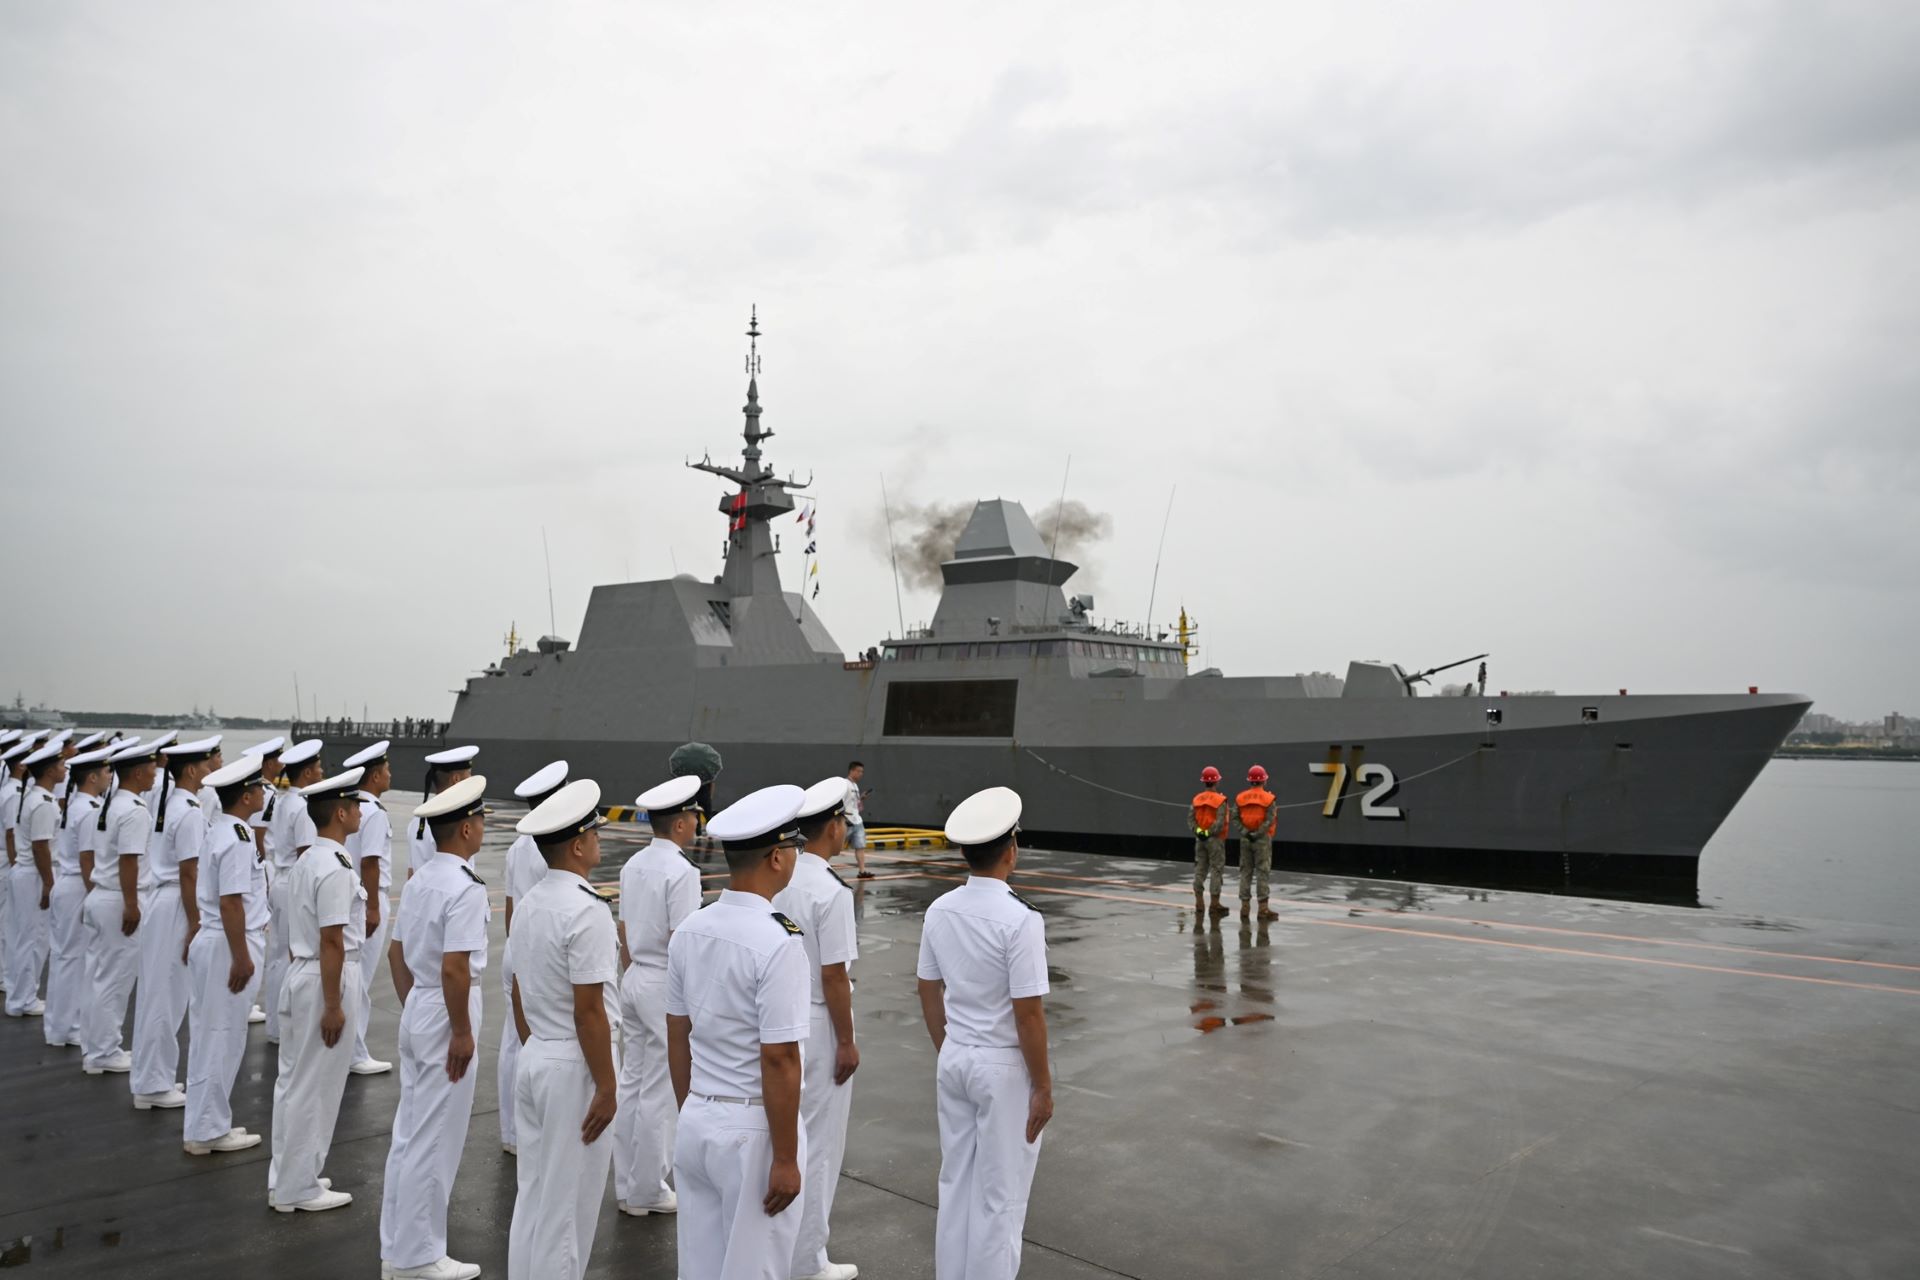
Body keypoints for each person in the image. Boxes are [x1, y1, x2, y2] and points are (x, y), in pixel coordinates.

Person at [667, 784, 810, 1280]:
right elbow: (780, 1057)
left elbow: (678, 1032)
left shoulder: (691, 928)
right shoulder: (779, 941)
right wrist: (786, 1157)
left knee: (700, 1267)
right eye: (793, 848)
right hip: (752, 1130)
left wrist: (691, 1110)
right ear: (777, 857)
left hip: (698, 1117)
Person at [916, 786, 1054, 1280]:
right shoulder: (1021, 919)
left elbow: (927, 987)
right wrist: (1042, 1086)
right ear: (1011, 849)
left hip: (956, 1056)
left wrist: (948, 1047)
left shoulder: (940, 909)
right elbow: (1028, 1014)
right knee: (1001, 1196)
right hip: (1002, 1066)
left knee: (956, 1183)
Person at [506, 779, 621, 1280]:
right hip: (575, 1066)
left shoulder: (530, 902)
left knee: (535, 1197)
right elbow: (589, 1011)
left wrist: (536, 1047)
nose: (599, 840)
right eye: (594, 833)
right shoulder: (586, 909)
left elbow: (517, 986)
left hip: (537, 1055)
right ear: (577, 846)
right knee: (568, 1210)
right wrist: (608, 1085)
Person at [379, 775, 491, 1280]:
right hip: (447, 1011)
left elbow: (396, 953)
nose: (483, 827)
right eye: (480, 820)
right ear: (466, 829)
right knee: (436, 1137)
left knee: (409, 1134)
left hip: (422, 1006)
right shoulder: (465, 886)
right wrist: (461, 1031)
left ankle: (397, 1247)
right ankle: (420, 1256)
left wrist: (416, 1009)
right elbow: (455, 968)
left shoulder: (421, 879)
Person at [774, 777, 863, 1280]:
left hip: (777, 1019)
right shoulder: (831, 891)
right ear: (833, 826)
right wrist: (846, 1040)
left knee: (781, 1141)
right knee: (819, 1146)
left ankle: (778, 1250)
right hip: (817, 1020)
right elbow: (834, 975)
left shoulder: (780, 877)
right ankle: (808, 1260)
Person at [267, 766, 366, 1213]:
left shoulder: (307, 860)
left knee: (292, 1082)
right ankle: (299, 1187)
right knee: (317, 1086)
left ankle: (287, 1177)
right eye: (355, 804)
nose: (360, 811)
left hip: (302, 973)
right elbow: (332, 941)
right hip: (325, 978)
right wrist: (333, 1004)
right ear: (340, 813)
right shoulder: (336, 867)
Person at [612, 773, 703, 1217]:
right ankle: (647, 1188)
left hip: (634, 976)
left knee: (632, 1082)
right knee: (661, 1091)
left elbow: (624, 927)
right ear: (681, 823)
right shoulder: (682, 871)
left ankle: (627, 1185)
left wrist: (634, 971)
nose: (697, 822)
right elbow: (682, 940)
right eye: (694, 815)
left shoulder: (634, 864)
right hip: (665, 982)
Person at [182, 753, 270, 1154]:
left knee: (209, 1036)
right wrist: (242, 956)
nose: (264, 794)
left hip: (216, 940)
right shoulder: (237, 837)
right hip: (228, 944)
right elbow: (231, 901)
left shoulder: (221, 829)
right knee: (223, 1037)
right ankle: (208, 1131)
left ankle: (205, 1124)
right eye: (260, 789)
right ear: (246, 796)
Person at [129, 735, 221, 1109]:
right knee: (166, 996)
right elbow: (189, 872)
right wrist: (196, 923)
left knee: (157, 993)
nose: (211, 768)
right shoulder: (190, 811)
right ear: (192, 770)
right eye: (206, 763)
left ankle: (152, 1076)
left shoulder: (173, 803)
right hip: (176, 905)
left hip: (163, 901)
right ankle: (153, 1085)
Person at [499, 759, 570, 1157]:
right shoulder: (552, 849)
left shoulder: (517, 847)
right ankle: (531, 1127)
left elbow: (511, 909)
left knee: (513, 1041)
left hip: (517, 946)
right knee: (542, 1039)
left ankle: (511, 1131)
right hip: (542, 951)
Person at [81, 738, 163, 1075]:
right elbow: (129, 861)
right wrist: (132, 905)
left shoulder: (111, 803)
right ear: (138, 773)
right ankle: (104, 1051)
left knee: (99, 976)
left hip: (103, 895)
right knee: (115, 980)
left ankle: (95, 1046)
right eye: (152, 768)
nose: (156, 773)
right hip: (120, 898)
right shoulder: (134, 811)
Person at [45, 746, 113, 1046]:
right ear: (93, 777)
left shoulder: (79, 804)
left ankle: (59, 1025)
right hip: (78, 886)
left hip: (69, 883)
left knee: (65, 957)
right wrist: (94, 896)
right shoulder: (88, 810)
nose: (110, 776)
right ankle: (67, 1026)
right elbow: (88, 858)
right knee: (72, 960)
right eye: (107, 772)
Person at [263, 738, 325, 1044]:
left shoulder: (283, 799)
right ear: (308, 773)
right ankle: (285, 1027)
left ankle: (275, 1025)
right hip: (293, 883)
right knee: (293, 957)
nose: (322, 772)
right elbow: (306, 855)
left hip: (280, 879)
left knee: (277, 957)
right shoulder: (302, 806)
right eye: (318, 767)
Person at [343, 739, 396, 1075]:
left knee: (354, 975)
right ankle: (355, 1052)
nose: (390, 774)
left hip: (353, 895)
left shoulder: (353, 806)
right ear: (375, 776)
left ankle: (350, 1048)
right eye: (386, 769)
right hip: (368, 898)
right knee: (360, 978)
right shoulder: (374, 812)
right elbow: (371, 862)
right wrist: (374, 908)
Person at [5, 743, 67, 1016]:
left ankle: (20, 995)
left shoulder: (35, 797)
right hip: (35, 875)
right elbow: (40, 847)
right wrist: (49, 884)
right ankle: (23, 999)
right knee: (34, 939)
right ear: (50, 771)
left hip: (28, 872)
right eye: (61, 765)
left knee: (25, 937)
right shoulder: (43, 803)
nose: (65, 769)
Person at [410, 745, 479, 879]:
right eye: (469, 773)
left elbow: (411, 872)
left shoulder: (417, 820)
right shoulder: (456, 820)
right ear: (456, 779)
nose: (471, 778)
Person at [1234, 765, 1279, 922]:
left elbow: (1235, 817)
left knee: (1245, 872)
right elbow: (1270, 819)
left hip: (1245, 839)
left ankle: (1245, 907)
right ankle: (1263, 909)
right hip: (1262, 840)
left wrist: (1245, 832)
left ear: (1250, 780)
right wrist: (1258, 833)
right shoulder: (1269, 799)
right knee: (1262, 872)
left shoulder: (1240, 798)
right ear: (1264, 780)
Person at [1190, 766, 1229, 919]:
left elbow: (1191, 819)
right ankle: (1214, 904)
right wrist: (1209, 832)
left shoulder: (1196, 799)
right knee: (1216, 870)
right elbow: (1220, 822)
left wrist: (1199, 831)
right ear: (1217, 781)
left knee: (1200, 869)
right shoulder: (1220, 800)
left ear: (1204, 782)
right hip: (1215, 840)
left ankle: (1199, 903)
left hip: (1200, 840)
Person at [842, 763, 872, 880]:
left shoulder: (855, 785)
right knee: (836, 847)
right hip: (846, 820)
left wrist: (861, 798)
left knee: (860, 846)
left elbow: (855, 803)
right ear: (852, 771)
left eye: (862, 772)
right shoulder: (845, 784)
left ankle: (862, 871)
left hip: (857, 820)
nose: (861, 774)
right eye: (859, 771)